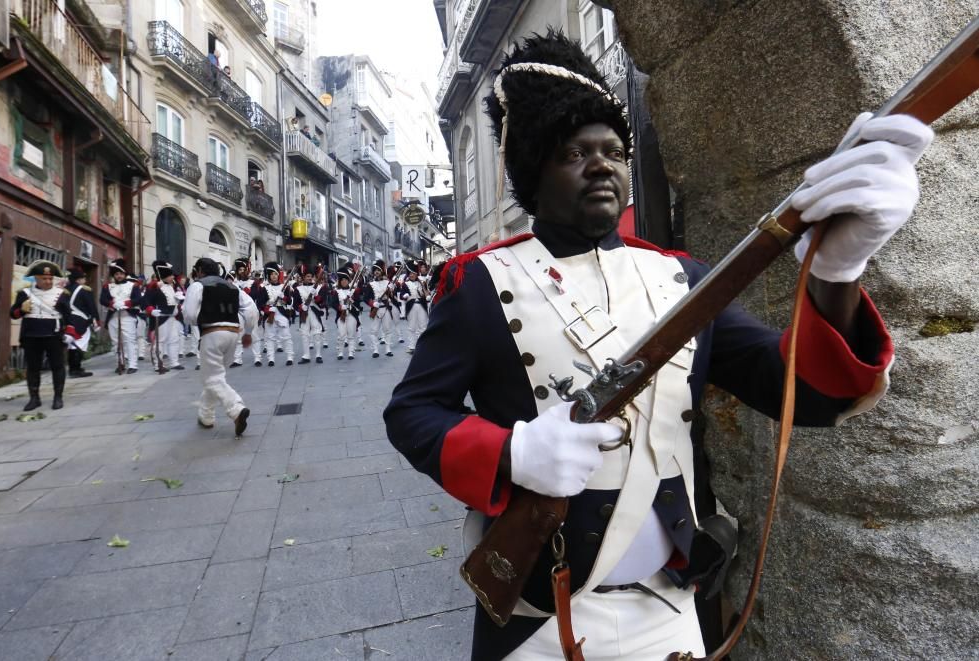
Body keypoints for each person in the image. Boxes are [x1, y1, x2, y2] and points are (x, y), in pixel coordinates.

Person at [383, 31, 932, 661]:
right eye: (573, 152)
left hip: (671, 609)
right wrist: (512, 452)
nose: (602, 165)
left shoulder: (687, 280)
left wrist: (837, 275)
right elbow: (413, 414)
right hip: (539, 620)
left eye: (614, 150)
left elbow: (803, 392)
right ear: (534, 170)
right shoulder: (479, 283)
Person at [182, 257, 257, 436]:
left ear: (200, 271)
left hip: (212, 333)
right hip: (233, 333)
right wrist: (248, 332)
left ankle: (236, 409)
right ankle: (206, 416)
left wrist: (203, 317)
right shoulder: (233, 286)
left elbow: (189, 315)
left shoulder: (198, 285)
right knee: (216, 377)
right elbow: (252, 310)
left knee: (212, 379)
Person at [10, 261, 73, 410]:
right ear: (36, 279)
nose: (48, 281)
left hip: (53, 335)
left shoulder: (61, 294)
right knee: (33, 367)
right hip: (31, 335)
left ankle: (58, 397)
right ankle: (34, 398)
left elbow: (69, 316)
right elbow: (13, 314)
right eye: (44, 279)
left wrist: (70, 333)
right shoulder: (24, 294)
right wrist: (22, 310)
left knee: (58, 366)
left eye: (50, 278)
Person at [100, 259, 142, 374]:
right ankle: (120, 362)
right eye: (117, 274)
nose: (119, 276)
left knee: (129, 340)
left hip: (127, 315)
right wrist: (112, 304)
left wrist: (126, 304)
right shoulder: (107, 287)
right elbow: (102, 300)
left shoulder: (133, 285)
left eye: (121, 274)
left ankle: (133, 364)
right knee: (116, 341)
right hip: (113, 316)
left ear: (125, 274)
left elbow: (138, 299)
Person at [142, 261, 185, 372]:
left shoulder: (171, 286)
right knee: (159, 341)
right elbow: (146, 302)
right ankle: (158, 364)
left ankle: (174, 362)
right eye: (170, 275)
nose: (172, 277)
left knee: (174, 340)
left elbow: (171, 302)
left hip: (172, 317)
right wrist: (151, 311)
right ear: (164, 276)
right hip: (161, 318)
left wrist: (179, 302)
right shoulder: (154, 286)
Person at [251, 262, 294, 366]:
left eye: (276, 274)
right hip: (270, 314)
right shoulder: (264, 288)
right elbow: (260, 304)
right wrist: (268, 310)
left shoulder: (285, 286)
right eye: (272, 274)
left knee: (286, 335)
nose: (274, 276)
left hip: (282, 313)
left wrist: (283, 297)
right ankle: (271, 358)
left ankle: (290, 357)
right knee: (269, 337)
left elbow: (289, 302)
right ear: (269, 276)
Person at [64, 266, 99, 378]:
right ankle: (76, 369)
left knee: (71, 345)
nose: (85, 280)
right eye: (83, 278)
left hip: (68, 320)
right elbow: (91, 307)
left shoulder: (65, 289)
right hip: (81, 321)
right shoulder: (84, 290)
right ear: (78, 279)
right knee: (80, 344)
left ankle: (73, 369)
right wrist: (96, 320)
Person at [363, 259, 395, 358]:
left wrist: (392, 289)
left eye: (378, 270)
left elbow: (392, 297)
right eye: (375, 270)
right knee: (373, 331)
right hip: (376, 309)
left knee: (388, 330)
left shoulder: (388, 283)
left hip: (385, 308)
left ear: (382, 271)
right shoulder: (370, 284)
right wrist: (372, 304)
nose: (376, 272)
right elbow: (366, 298)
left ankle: (388, 349)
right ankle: (375, 350)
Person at [293, 265, 324, 364]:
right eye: (307, 276)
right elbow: (295, 304)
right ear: (303, 278)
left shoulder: (318, 287)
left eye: (311, 276)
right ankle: (306, 355)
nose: (310, 278)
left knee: (317, 333)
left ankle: (318, 355)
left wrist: (316, 296)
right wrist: (301, 307)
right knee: (304, 334)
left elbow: (322, 302)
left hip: (314, 311)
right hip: (304, 313)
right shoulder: (298, 289)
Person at [397, 261, 429, 354]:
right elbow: (401, 294)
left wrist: (426, 295)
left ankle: (422, 345)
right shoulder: (405, 284)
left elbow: (427, 292)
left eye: (413, 273)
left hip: (422, 306)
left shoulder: (422, 282)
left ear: (416, 274)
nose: (411, 275)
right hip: (411, 307)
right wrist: (405, 295)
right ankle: (412, 346)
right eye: (410, 273)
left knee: (423, 327)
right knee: (411, 327)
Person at [330, 263, 358, 360]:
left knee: (351, 334)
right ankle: (340, 352)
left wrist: (352, 300)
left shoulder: (353, 291)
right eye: (342, 280)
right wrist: (341, 307)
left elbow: (358, 303)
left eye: (346, 280)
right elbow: (333, 303)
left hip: (351, 315)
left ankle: (351, 352)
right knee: (341, 334)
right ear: (340, 281)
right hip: (341, 315)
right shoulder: (336, 291)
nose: (344, 282)